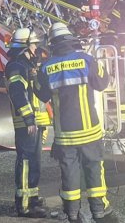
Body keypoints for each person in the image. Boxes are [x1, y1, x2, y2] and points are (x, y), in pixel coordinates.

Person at [37, 23, 116, 223]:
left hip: (64, 134)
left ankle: (72, 213)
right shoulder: (86, 60)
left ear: (52, 44)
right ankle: (100, 211)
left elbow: (41, 93)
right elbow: (102, 82)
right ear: (70, 40)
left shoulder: (46, 68)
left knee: (69, 172)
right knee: (94, 168)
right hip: (89, 130)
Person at [4, 27, 51, 218]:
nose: (36, 49)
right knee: (26, 162)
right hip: (27, 124)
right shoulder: (17, 66)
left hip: (34, 122)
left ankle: (32, 198)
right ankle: (24, 206)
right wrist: (29, 119)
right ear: (25, 46)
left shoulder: (25, 65)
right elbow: (17, 93)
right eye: (33, 46)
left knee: (34, 162)